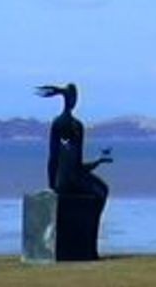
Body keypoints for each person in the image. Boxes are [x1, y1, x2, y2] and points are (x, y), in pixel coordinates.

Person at [35, 82, 112, 210]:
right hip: (70, 181)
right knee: (102, 190)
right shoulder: (75, 126)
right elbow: (74, 165)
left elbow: (55, 159)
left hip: (64, 180)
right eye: (75, 97)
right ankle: (93, 225)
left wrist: (52, 184)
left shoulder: (60, 123)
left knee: (102, 190)